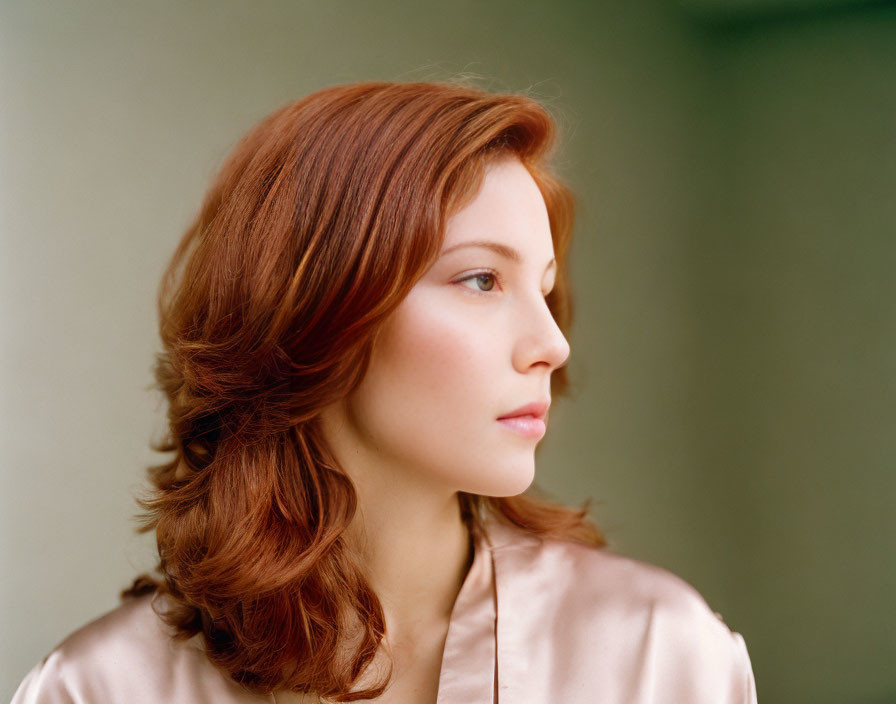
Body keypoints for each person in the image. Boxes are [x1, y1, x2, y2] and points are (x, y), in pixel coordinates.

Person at [11, 80, 758, 704]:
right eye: (480, 279)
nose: (552, 346)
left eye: (544, 288)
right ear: (317, 308)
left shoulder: (660, 655)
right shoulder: (97, 689)